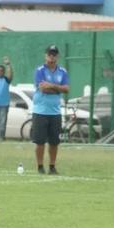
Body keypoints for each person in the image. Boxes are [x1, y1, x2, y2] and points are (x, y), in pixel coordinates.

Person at [32, 45, 69, 175]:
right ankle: (40, 166)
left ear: (57, 56)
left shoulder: (63, 71)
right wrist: (58, 89)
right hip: (40, 111)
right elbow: (43, 88)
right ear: (45, 55)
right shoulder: (40, 70)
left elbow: (67, 89)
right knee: (40, 141)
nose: (51, 57)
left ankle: (52, 166)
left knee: (54, 142)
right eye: (49, 54)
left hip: (55, 112)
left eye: (54, 55)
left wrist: (52, 86)